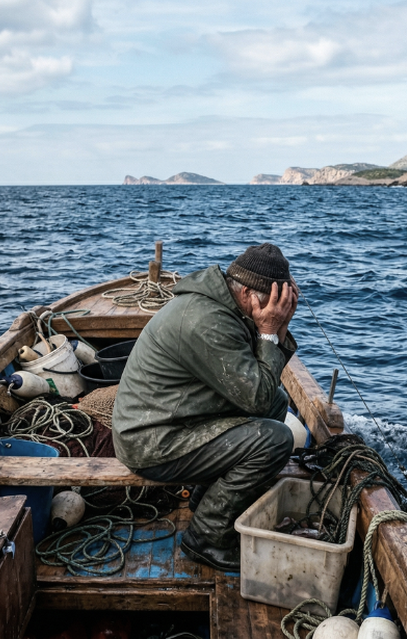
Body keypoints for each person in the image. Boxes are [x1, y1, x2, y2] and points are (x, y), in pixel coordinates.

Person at [111, 243, 299, 570]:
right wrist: (269, 333)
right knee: (275, 439)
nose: (277, 311)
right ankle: (206, 538)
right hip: (150, 441)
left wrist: (277, 329)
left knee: (277, 404)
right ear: (248, 294)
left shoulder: (226, 306)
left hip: (175, 419)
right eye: (274, 304)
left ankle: (206, 499)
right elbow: (256, 397)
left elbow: (263, 395)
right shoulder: (208, 321)